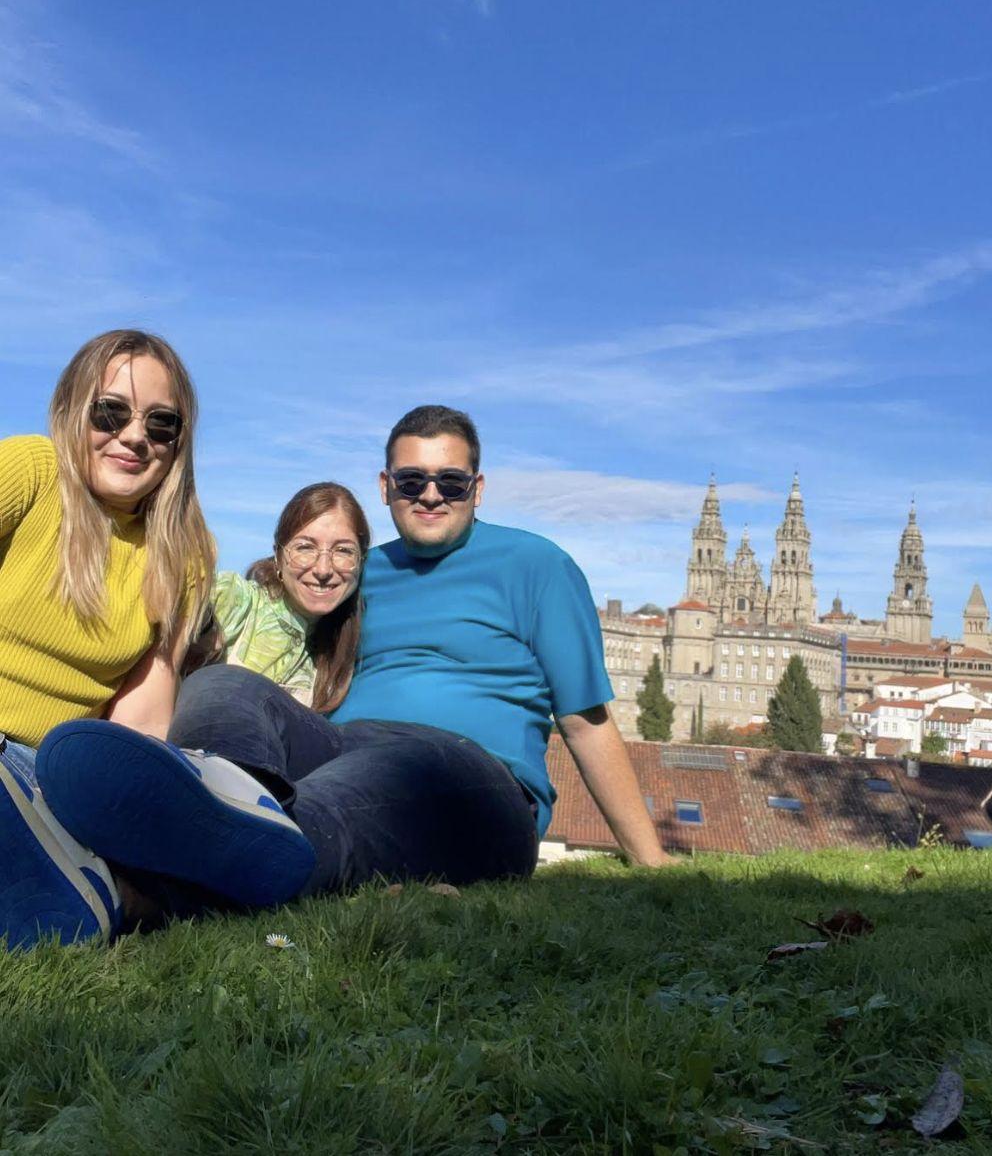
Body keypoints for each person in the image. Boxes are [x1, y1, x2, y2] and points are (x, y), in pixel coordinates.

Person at [1, 405, 667, 950]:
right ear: (385, 488)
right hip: (341, 745)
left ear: (478, 488)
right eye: (411, 482)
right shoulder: (355, 572)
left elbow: (586, 720)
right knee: (227, 690)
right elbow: (269, 607)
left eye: (451, 483)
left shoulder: (536, 566)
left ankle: (122, 890)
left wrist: (650, 863)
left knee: (348, 798)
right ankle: (222, 806)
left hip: (468, 778)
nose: (430, 495)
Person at [0, 328, 215, 772]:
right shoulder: (31, 471)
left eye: (161, 423)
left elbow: (144, 709)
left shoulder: (186, 553)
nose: (136, 436)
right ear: (71, 411)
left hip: (49, 772)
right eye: (110, 412)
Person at [203, 482, 369, 707]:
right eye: (305, 548)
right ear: (278, 556)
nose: (323, 569)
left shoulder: (345, 650)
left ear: (361, 561)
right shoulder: (233, 601)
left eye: (343, 551)